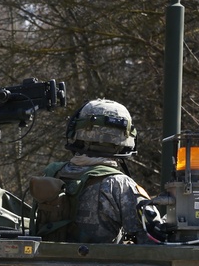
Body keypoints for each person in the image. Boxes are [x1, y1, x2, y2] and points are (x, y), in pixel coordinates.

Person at [29, 98, 161, 244]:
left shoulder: (52, 173)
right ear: (126, 136)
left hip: (49, 265)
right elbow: (154, 238)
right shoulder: (120, 185)